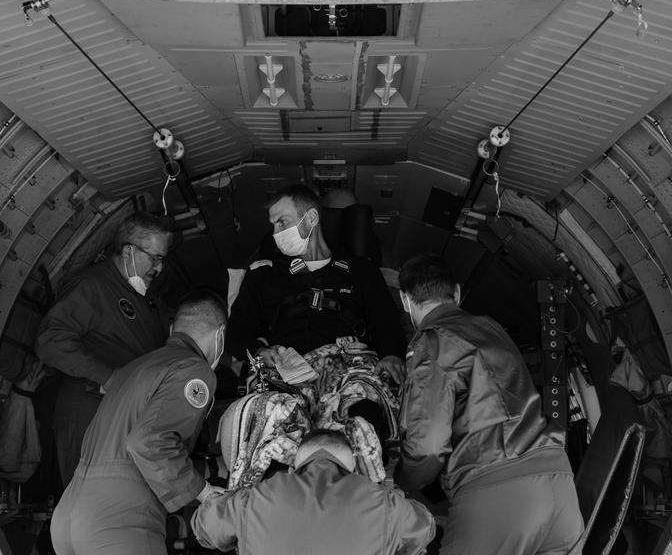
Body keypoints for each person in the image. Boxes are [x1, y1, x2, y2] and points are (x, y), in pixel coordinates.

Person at [395, 253, 583, 555]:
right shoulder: (489, 326)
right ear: (456, 293)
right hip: (559, 485)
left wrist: (400, 479)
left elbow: (428, 446)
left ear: (405, 300)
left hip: (500, 490)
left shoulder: (430, 342)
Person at [50, 290, 227, 555]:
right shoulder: (192, 369)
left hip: (70, 514)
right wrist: (203, 493)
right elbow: (149, 441)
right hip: (120, 518)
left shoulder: (135, 367)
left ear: (172, 329)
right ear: (220, 335)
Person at [35, 212, 172, 487]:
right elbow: (51, 341)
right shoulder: (92, 286)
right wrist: (109, 377)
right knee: (87, 496)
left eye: (162, 260)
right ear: (129, 251)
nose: (158, 268)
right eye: (155, 258)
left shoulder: (144, 298)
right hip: (88, 411)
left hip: (123, 414)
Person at [227, 184, 405, 380]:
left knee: (362, 407)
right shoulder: (263, 274)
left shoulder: (361, 270)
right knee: (271, 410)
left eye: (282, 222)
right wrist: (258, 351)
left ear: (311, 218)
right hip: (286, 372)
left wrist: (391, 354)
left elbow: (386, 320)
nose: (275, 232)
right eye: (273, 225)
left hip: (350, 369)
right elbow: (236, 330)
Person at [191, 429, 435, 554]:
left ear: (295, 465)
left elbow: (204, 527)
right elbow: (425, 530)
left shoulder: (255, 497)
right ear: (352, 464)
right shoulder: (385, 504)